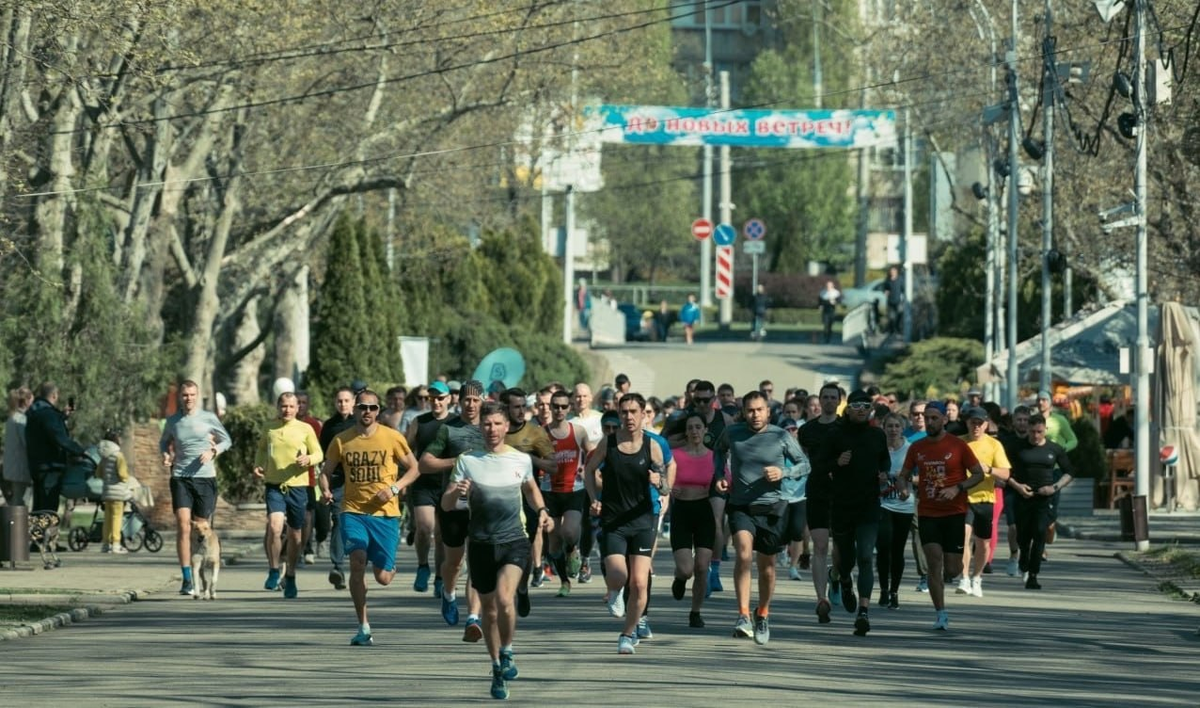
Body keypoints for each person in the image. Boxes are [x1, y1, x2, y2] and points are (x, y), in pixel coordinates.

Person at [444, 402, 554, 700]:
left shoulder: (520, 460)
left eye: (497, 424)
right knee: (490, 612)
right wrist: (457, 491)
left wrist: (542, 510)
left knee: (506, 599)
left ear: (506, 427)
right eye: (487, 424)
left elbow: (530, 490)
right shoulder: (468, 461)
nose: (491, 429)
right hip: (480, 543)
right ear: (480, 427)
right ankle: (495, 666)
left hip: (514, 540)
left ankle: (507, 651)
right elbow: (446, 504)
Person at [319, 389, 421, 646]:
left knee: (383, 578)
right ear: (354, 409)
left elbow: (415, 468)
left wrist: (395, 488)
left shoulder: (392, 437)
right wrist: (325, 489)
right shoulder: (342, 440)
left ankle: (390, 566)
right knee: (356, 560)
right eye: (362, 407)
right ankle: (363, 625)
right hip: (353, 510)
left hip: (385, 514)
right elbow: (326, 471)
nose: (367, 412)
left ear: (379, 411)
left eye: (372, 408)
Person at [713, 391, 808, 645]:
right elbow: (718, 451)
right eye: (750, 410)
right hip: (741, 506)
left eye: (759, 410)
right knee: (743, 554)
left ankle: (763, 613)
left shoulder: (780, 435)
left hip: (772, 509)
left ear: (768, 411)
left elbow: (805, 465)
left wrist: (783, 472)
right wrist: (720, 476)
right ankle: (743, 615)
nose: (755, 415)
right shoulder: (733, 433)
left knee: (767, 568)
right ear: (744, 412)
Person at [584, 393, 668, 655]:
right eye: (624, 412)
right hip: (613, 520)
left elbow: (665, 483)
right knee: (620, 575)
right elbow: (589, 470)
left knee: (640, 583)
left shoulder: (652, 446)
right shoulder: (608, 444)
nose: (629, 417)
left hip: (643, 520)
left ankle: (627, 634)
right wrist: (593, 498)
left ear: (644, 414)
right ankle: (614, 591)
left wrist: (659, 482)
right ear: (619, 414)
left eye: (634, 412)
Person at [897, 402, 984, 631]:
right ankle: (941, 613)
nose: (930, 422)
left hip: (954, 513)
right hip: (928, 513)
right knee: (933, 563)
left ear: (944, 419)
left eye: (935, 418)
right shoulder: (917, 448)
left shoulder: (957, 445)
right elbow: (903, 475)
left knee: (953, 569)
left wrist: (958, 488)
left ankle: (950, 577)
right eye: (927, 418)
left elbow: (978, 474)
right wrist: (904, 488)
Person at [820, 390, 890, 636]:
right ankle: (844, 582)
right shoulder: (835, 434)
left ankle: (863, 612)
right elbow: (818, 465)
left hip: (869, 505)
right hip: (841, 505)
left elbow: (885, 461)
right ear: (847, 409)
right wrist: (836, 463)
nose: (861, 409)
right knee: (846, 560)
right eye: (856, 405)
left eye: (865, 405)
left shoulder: (877, 435)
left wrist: (883, 473)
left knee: (866, 557)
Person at [421, 380, 486, 640]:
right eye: (466, 400)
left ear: (483, 401)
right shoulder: (448, 430)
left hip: (483, 505)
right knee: (454, 561)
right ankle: (448, 594)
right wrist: (455, 461)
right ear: (459, 402)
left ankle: (473, 617)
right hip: (454, 503)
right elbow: (425, 462)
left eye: (475, 400)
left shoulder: (491, 428)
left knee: (476, 562)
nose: (471, 404)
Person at [160, 380, 232, 595]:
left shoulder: (208, 418)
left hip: (205, 478)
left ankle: (202, 569)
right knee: (183, 525)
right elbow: (164, 442)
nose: (188, 398)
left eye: (192, 395)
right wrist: (166, 454)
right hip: (181, 477)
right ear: (180, 397)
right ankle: (187, 579)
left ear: (197, 396)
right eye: (185, 395)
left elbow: (226, 440)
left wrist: (213, 452)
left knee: (201, 527)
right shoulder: (173, 421)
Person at [253, 391, 324, 598]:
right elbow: (261, 450)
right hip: (274, 485)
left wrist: (308, 460)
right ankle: (274, 570)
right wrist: (258, 464)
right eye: (284, 406)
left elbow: (318, 453)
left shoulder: (305, 429)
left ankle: (291, 574)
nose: (288, 410)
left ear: (298, 408)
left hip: (298, 487)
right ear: (278, 407)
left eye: (292, 406)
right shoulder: (269, 427)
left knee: (295, 534)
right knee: (274, 526)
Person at [502, 388, 556, 617]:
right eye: (516, 406)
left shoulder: (535, 433)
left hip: (527, 501)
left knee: (523, 551)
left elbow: (553, 466)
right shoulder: (495, 431)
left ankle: (522, 587)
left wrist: (526, 457)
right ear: (505, 408)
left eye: (524, 406)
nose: (522, 411)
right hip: (499, 501)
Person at [1008, 414, 1074, 590]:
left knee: (1039, 534)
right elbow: (1006, 472)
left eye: (1039, 432)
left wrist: (1054, 487)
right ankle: (1023, 556)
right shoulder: (1017, 447)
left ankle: (1033, 575)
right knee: (1023, 535)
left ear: (1045, 430)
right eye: (1032, 432)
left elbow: (1069, 472)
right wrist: (1018, 486)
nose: (1035, 435)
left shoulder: (1054, 449)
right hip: (1023, 497)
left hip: (1044, 498)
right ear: (1027, 430)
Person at [669, 413, 721, 628]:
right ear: (686, 432)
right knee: (686, 569)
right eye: (690, 428)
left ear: (705, 430)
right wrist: (670, 488)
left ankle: (695, 612)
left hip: (704, 511)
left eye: (698, 427)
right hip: (681, 511)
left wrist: (722, 484)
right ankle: (680, 579)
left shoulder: (713, 456)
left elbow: (724, 478)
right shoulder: (675, 455)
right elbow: (663, 479)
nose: (694, 431)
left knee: (701, 567)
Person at [404, 381, 454, 596]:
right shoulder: (419, 421)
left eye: (440, 397)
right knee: (424, 529)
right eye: (432, 398)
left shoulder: (457, 423)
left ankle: (440, 578)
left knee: (442, 535)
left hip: (447, 484)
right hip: (423, 483)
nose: (436, 402)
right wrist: (406, 477)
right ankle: (423, 566)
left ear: (449, 399)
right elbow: (406, 451)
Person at [797, 382, 841, 623]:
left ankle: (837, 576)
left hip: (843, 494)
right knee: (820, 546)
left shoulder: (846, 428)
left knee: (842, 550)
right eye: (825, 397)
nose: (828, 401)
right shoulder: (808, 430)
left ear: (839, 401)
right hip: (817, 491)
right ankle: (820, 598)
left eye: (833, 397)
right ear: (819, 401)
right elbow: (802, 458)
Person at [957, 406, 1011, 598]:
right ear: (967, 423)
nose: (976, 427)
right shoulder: (958, 443)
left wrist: (988, 469)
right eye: (973, 423)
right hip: (963, 498)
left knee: (983, 543)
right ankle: (963, 578)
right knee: (963, 538)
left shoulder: (994, 445)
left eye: (980, 423)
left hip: (985, 498)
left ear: (986, 425)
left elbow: (1005, 473)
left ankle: (976, 577)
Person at [25, 382, 86, 549]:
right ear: (54, 396)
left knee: (39, 505)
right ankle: (47, 542)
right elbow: (59, 437)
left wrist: (63, 416)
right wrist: (80, 451)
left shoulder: (34, 412)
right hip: (50, 466)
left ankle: (37, 541)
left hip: (37, 465)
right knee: (49, 507)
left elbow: (46, 431)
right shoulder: (47, 414)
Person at [542, 389, 589, 597]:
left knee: (568, 532)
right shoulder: (541, 433)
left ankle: (572, 549)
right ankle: (564, 581)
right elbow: (530, 459)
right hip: (549, 491)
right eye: (555, 406)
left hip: (573, 490)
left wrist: (588, 467)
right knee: (553, 542)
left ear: (569, 408)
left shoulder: (578, 431)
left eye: (563, 406)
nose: (559, 410)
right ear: (549, 408)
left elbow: (594, 452)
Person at [320, 387, 357, 590]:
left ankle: (360, 562)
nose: (343, 404)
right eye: (339, 401)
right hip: (338, 480)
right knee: (339, 520)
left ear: (353, 402)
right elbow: (325, 456)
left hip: (360, 481)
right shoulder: (329, 426)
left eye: (346, 400)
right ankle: (338, 567)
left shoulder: (361, 423)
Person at [877, 413, 913, 610]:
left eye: (896, 426)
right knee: (884, 545)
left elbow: (921, 477)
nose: (893, 430)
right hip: (883, 503)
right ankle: (883, 589)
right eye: (889, 426)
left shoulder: (910, 450)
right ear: (884, 428)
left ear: (902, 428)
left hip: (904, 504)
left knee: (897, 550)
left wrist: (905, 478)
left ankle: (894, 591)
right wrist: (879, 477)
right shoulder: (879, 449)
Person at [296, 391, 324, 566]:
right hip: (284, 480)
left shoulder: (314, 425)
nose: (300, 406)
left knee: (307, 518)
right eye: (297, 402)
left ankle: (303, 548)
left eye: (303, 402)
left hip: (308, 478)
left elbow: (320, 451)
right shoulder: (279, 425)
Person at [96, 428, 133, 554]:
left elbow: (99, 473)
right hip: (118, 493)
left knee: (107, 519)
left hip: (107, 492)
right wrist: (127, 478)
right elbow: (122, 474)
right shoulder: (118, 455)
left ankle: (105, 544)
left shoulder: (103, 456)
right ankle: (116, 544)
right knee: (117, 518)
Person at [3, 387, 32, 506]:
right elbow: (27, 442)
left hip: (13, 469)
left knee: (16, 502)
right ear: (26, 401)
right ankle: (18, 525)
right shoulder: (21, 420)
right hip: (21, 469)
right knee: (21, 504)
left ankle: (14, 524)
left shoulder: (12, 418)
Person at [882, 265, 904, 335]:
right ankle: (892, 331)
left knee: (900, 314)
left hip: (898, 301)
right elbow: (884, 288)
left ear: (896, 272)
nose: (892, 273)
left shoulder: (900, 279)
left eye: (894, 271)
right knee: (891, 317)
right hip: (890, 301)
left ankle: (898, 328)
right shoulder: (887, 280)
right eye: (891, 271)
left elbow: (903, 289)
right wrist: (885, 292)